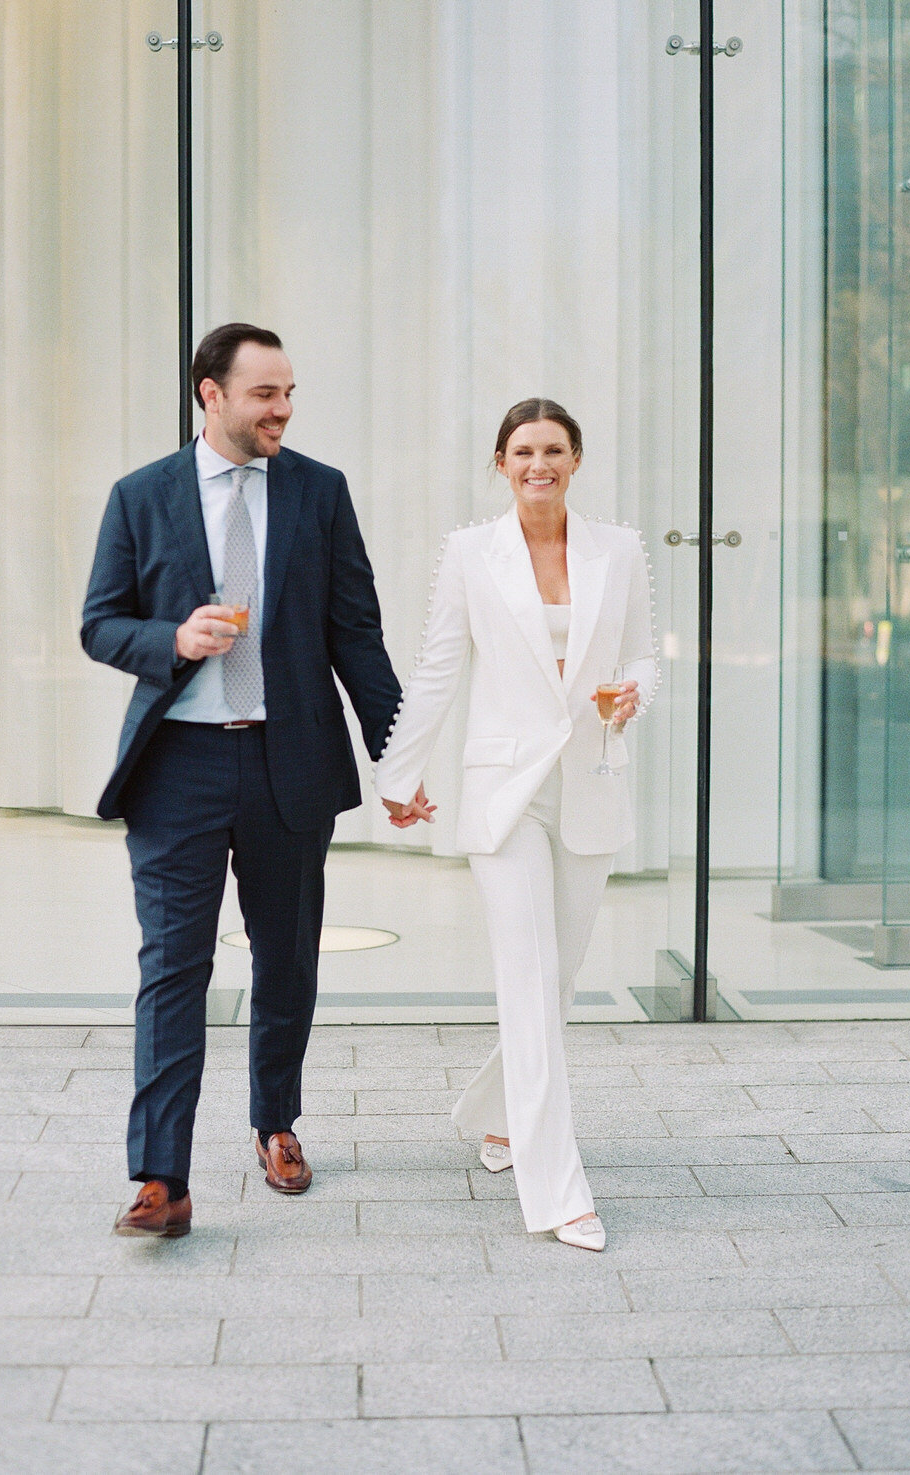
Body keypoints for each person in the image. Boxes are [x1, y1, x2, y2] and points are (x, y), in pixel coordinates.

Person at [82, 322, 414, 1236]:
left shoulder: (320, 491)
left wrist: (402, 755)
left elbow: (358, 635)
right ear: (210, 393)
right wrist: (172, 641)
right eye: (266, 393)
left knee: (288, 960)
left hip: (288, 764)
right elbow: (99, 623)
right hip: (177, 769)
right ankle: (161, 1177)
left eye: (290, 392)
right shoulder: (141, 496)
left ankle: (277, 1122)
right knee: (172, 969)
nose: (284, 410)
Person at [374, 398, 657, 1250]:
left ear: (577, 461)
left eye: (556, 450)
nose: (540, 463)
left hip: (589, 783)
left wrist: (637, 692)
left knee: (556, 981)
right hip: (505, 791)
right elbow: (437, 668)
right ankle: (558, 1189)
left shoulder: (621, 549)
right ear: (502, 462)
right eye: (524, 450)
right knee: (527, 983)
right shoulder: (471, 553)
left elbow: (642, 651)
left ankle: (496, 1114)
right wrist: (399, 772)